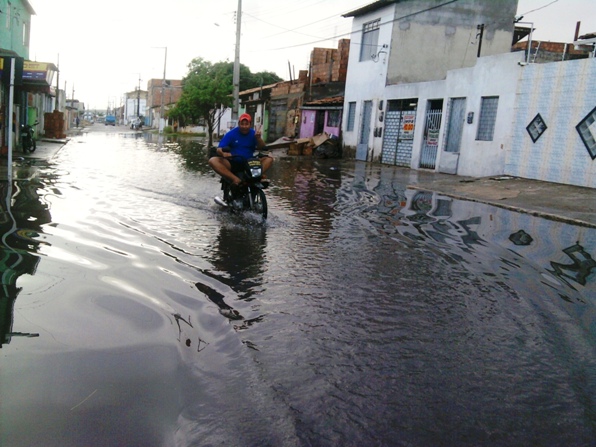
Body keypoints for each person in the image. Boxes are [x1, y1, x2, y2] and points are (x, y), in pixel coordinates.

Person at [209, 113, 273, 186]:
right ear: (239, 124)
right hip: (233, 162)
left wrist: (258, 138)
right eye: (242, 124)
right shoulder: (231, 134)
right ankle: (235, 179)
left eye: (246, 124)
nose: (244, 127)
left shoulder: (254, 133)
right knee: (213, 161)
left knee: (269, 158)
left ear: (250, 124)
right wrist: (223, 153)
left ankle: (258, 176)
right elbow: (219, 148)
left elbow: (262, 148)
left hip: (250, 162)